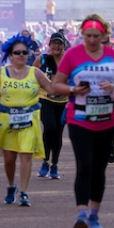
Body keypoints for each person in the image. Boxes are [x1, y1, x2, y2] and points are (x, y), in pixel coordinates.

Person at [50, 14, 114, 228]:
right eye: (88, 35)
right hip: (80, 119)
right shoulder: (72, 54)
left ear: (104, 35)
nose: (92, 40)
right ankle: (81, 215)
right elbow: (56, 85)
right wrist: (73, 89)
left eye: (96, 36)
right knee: (84, 166)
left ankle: (94, 216)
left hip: (108, 120)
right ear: (82, 34)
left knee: (99, 168)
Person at [0, 35, 55, 207]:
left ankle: (24, 192)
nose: (21, 55)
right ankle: (11, 185)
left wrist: (69, 82)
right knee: (9, 159)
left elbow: (52, 88)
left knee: (26, 155)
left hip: (29, 120)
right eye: (17, 52)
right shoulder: (1, 73)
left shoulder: (35, 72)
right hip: (6, 120)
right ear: (10, 55)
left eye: (24, 52)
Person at [37, 31, 70, 179]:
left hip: (63, 102)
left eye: (59, 44)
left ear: (64, 45)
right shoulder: (42, 59)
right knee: (50, 127)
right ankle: (45, 161)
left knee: (58, 132)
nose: (56, 46)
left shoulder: (69, 60)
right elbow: (31, 76)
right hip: (45, 99)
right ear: (49, 45)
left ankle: (54, 164)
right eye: (54, 43)